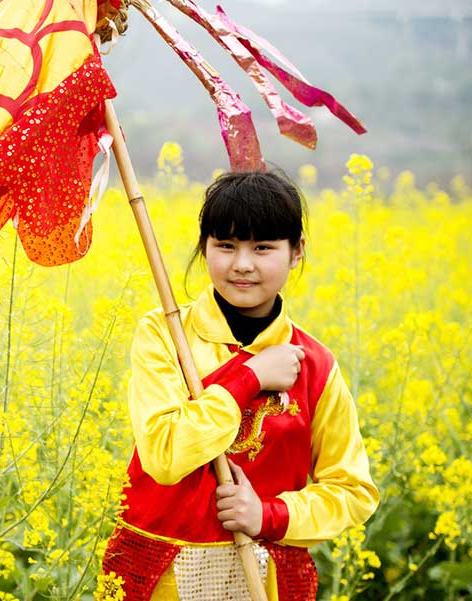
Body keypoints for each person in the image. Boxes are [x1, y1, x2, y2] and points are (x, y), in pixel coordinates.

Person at [98, 170, 379, 600]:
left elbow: (353, 491)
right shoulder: (163, 335)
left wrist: (267, 515)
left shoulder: (316, 365)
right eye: (225, 246)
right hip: (159, 575)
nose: (242, 264)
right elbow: (165, 454)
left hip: (266, 577)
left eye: (263, 247)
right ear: (204, 247)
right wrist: (249, 377)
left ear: (296, 251)